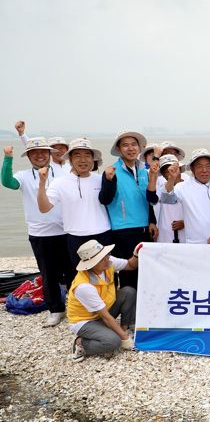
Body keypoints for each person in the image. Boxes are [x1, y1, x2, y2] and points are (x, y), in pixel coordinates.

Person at [3, 139, 72, 326]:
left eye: (43, 152)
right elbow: (8, 182)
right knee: (48, 274)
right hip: (40, 233)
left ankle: (76, 308)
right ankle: (56, 310)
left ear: (50, 154)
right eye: (34, 153)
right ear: (28, 157)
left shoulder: (63, 171)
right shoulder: (24, 175)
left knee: (72, 272)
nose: (39, 155)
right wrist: (7, 158)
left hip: (66, 230)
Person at [37, 138, 112, 266]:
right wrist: (42, 182)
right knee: (79, 278)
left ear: (93, 159)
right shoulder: (60, 183)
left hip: (103, 234)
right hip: (76, 237)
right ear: (70, 160)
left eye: (87, 155)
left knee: (107, 275)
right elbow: (44, 208)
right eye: (77, 155)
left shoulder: (102, 179)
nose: (83, 160)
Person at [99, 131, 157, 289]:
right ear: (118, 149)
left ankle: (144, 309)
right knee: (128, 273)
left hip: (144, 229)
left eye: (133, 144)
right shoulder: (112, 171)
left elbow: (148, 200)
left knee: (146, 271)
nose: (130, 148)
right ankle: (129, 312)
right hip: (123, 230)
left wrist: (152, 221)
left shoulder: (144, 172)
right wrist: (109, 181)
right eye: (125, 145)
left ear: (139, 147)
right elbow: (104, 199)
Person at [67, 240, 140, 363]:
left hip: (103, 308)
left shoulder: (108, 262)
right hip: (85, 320)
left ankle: (124, 328)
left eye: (106, 254)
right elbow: (105, 316)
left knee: (128, 292)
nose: (108, 258)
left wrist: (136, 254)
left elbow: (131, 265)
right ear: (92, 264)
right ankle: (81, 343)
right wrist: (124, 339)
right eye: (102, 258)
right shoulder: (84, 286)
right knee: (113, 342)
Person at [161, 149, 210, 244]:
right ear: (192, 169)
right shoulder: (182, 187)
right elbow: (167, 200)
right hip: (195, 244)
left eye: (208, 166)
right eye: (199, 166)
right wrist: (171, 179)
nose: (204, 170)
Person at [155, 155, 186, 243]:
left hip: (186, 235)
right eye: (167, 171)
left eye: (173, 168)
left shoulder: (190, 187)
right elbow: (167, 197)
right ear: (163, 175)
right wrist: (171, 179)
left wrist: (186, 223)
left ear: (179, 169)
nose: (171, 172)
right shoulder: (160, 189)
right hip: (165, 235)